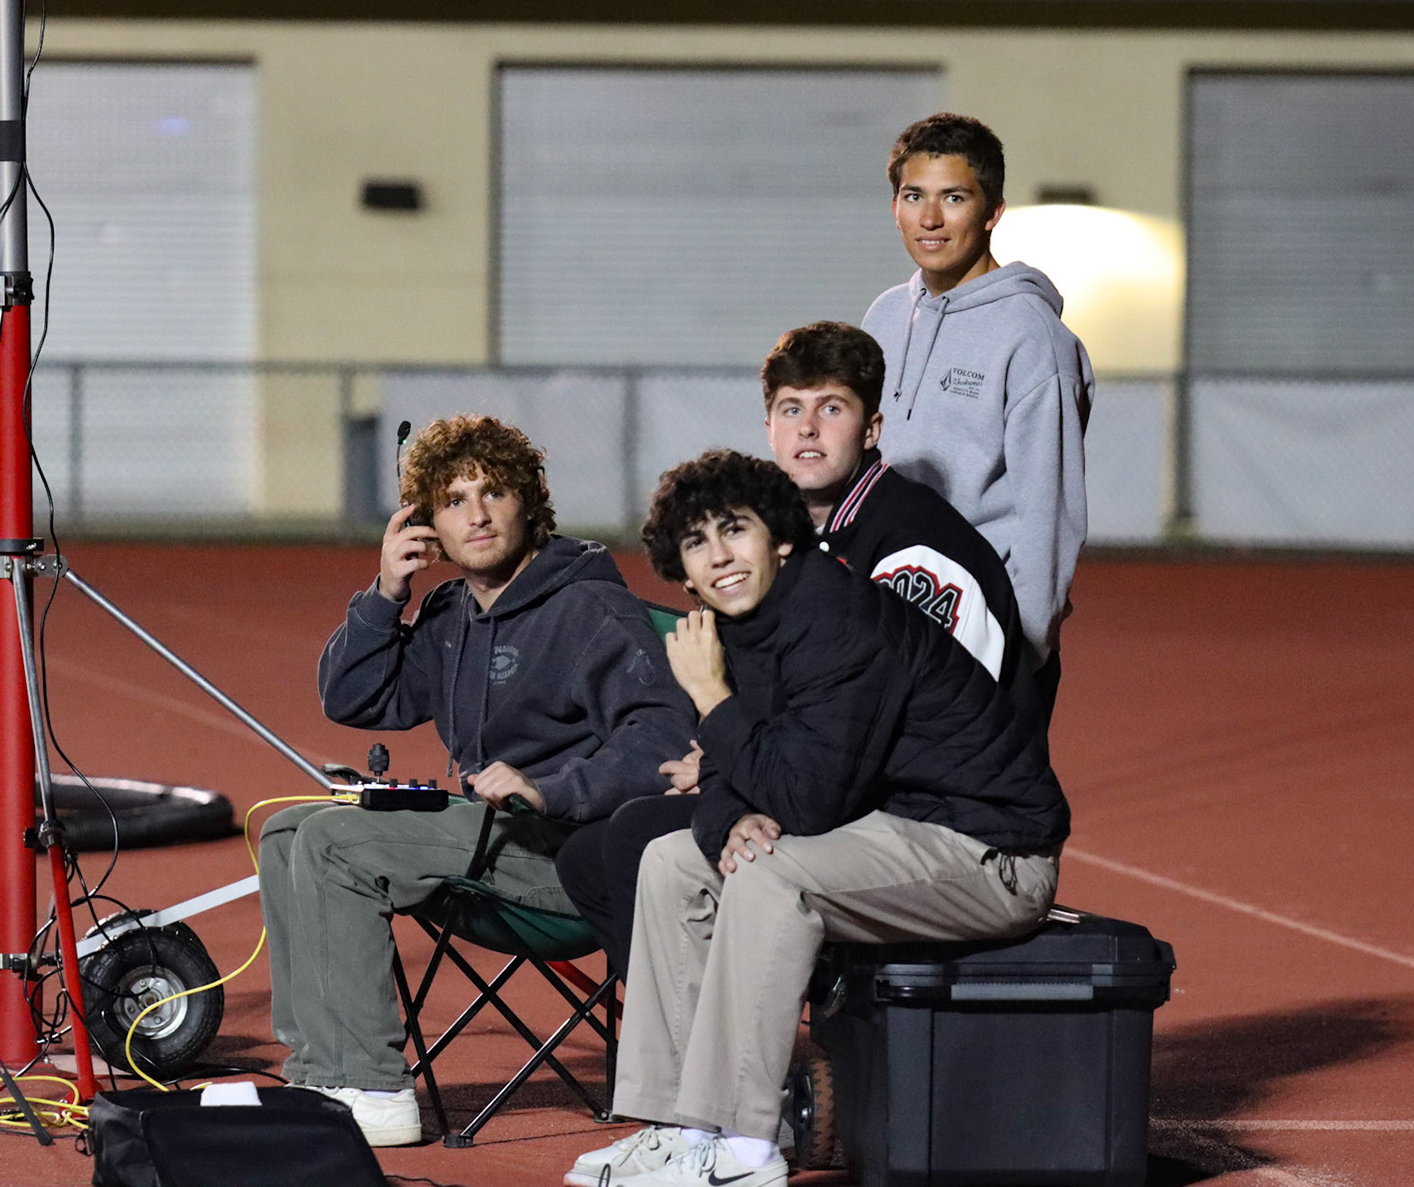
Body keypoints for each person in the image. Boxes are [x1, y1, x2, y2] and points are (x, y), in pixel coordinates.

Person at [564, 450, 1068, 1187]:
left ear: (780, 538)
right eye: (697, 543)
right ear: (683, 571)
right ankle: (677, 1128)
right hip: (896, 823)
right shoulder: (746, 624)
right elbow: (739, 762)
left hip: (991, 852)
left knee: (772, 878)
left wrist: (712, 699)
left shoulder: (837, 618)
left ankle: (745, 1147)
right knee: (672, 861)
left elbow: (804, 800)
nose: (719, 556)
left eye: (735, 530)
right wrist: (727, 821)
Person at [258, 414, 694, 1147]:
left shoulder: (588, 607)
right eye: (454, 501)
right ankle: (324, 1072)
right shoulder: (451, 612)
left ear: (530, 502)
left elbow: (663, 738)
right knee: (285, 831)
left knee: (334, 843)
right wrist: (386, 592)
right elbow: (353, 698)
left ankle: (373, 1087)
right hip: (491, 840)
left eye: (495, 492)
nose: (479, 515)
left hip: (568, 855)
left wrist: (552, 788)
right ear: (428, 523)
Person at [553, 321, 1029, 978]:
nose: (807, 429)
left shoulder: (912, 547)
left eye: (831, 409)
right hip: (823, 771)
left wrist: (736, 763)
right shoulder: (784, 543)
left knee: (641, 836)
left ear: (871, 429)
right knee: (591, 853)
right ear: (769, 428)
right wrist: (733, 772)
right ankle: (694, 1023)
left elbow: (911, 728)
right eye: (790, 410)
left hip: (922, 807)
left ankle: (755, 1012)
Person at [862, 112, 1094, 719]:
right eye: (914, 196)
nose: (930, 219)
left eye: (954, 198)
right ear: (895, 207)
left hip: (983, 638)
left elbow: (1050, 516)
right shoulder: (884, 316)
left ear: (992, 212)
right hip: (884, 626)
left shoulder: (1033, 338)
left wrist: (1022, 656)